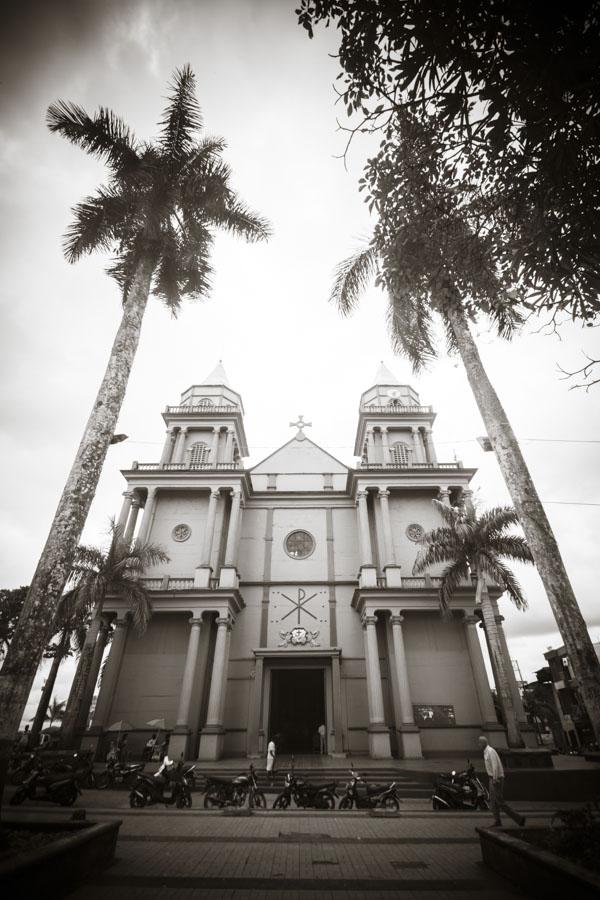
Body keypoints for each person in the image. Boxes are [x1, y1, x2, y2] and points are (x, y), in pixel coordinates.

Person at [479, 736, 526, 827]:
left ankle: (519, 819)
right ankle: (497, 821)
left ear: (484, 743)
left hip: (496, 778)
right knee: (493, 802)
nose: (479, 745)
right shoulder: (486, 752)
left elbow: (495, 766)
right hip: (491, 778)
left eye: (480, 743)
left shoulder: (490, 751)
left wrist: (495, 778)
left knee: (499, 801)